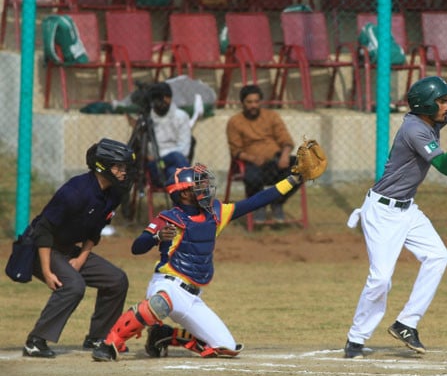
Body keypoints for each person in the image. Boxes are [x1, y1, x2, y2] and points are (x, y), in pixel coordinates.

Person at [343, 76, 447, 359]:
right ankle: (355, 341)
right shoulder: (415, 130)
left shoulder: (432, 118)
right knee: (381, 280)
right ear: (426, 106)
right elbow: (445, 166)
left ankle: (406, 323)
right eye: (441, 101)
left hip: (407, 209)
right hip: (382, 212)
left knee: (437, 256)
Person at [91, 163, 306, 361]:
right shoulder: (168, 218)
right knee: (160, 303)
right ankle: (110, 344)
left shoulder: (216, 213)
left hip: (193, 295)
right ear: (184, 193)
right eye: (198, 184)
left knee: (226, 347)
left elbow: (257, 201)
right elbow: (137, 247)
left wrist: (293, 180)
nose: (205, 188)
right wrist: (157, 237)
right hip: (167, 284)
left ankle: (162, 335)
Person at [22, 138, 136, 358]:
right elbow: (43, 230)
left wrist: (81, 258)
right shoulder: (75, 191)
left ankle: (98, 337)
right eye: (119, 167)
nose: (124, 172)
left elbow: (95, 230)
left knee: (116, 279)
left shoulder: (114, 193)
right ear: (102, 166)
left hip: (68, 250)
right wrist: (46, 271)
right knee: (74, 285)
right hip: (40, 248)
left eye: (125, 167)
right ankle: (35, 341)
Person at [226, 84, 297, 223]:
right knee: (252, 176)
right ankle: (259, 206)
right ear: (243, 103)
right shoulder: (235, 122)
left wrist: (285, 155)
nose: (253, 105)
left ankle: (277, 202)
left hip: (275, 161)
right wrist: (251, 158)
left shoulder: (271, 116)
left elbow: (286, 140)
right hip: (252, 163)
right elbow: (236, 151)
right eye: (249, 102)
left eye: (256, 102)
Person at [143, 81, 192, 184]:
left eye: (166, 97)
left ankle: (186, 191)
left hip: (175, 163)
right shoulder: (147, 118)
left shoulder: (181, 116)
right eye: (160, 98)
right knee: (176, 160)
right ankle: (193, 186)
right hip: (155, 164)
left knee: (173, 172)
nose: (163, 101)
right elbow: (145, 149)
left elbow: (184, 149)